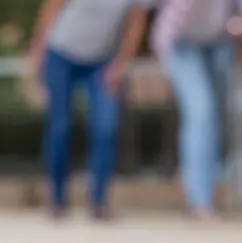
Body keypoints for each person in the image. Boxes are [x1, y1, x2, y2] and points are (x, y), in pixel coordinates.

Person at [28, 0, 150, 220]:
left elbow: (136, 24)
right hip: (61, 54)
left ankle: (98, 200)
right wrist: (39, 49)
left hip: (102, 61)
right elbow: (51, 7)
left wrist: (121, 65)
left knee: (106, 127)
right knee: (61, 126)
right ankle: (57, 200)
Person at [151, 0, 242, 220]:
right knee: (201, 112)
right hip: (180, 41)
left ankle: (207, 192)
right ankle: (200, 201)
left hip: (221, 41)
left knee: (214, 119)